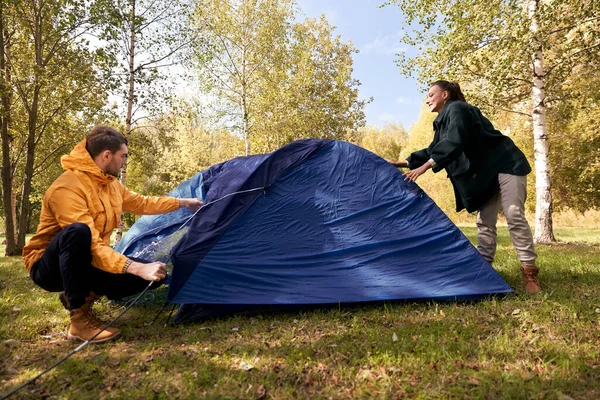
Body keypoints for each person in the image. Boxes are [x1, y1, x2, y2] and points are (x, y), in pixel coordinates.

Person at [22, 125, 203, 343]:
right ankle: (78, 321)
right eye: (123, 156)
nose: (124, 162)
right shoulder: (67, 187)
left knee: (155, 276)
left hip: (88, 260)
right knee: (77, 232)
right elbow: (91, 244)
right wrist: (137, 267)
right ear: (107, 155)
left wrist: (183, 202)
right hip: (48, 267)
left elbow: (142, 203)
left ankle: (81, 296)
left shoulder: (111, 185)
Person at [387, 80, 540, 294]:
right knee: (485, 221)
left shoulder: (457, 109)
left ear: (446, 95)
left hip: (506, 163)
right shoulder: (443, 121)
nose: (427, 99)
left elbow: (454, 142)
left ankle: (529, 271)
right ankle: (483, 270)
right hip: (485, 174)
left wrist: (424, 168)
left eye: (431, 94)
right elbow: (434, 149)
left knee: (513, 214)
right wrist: (402, 163)